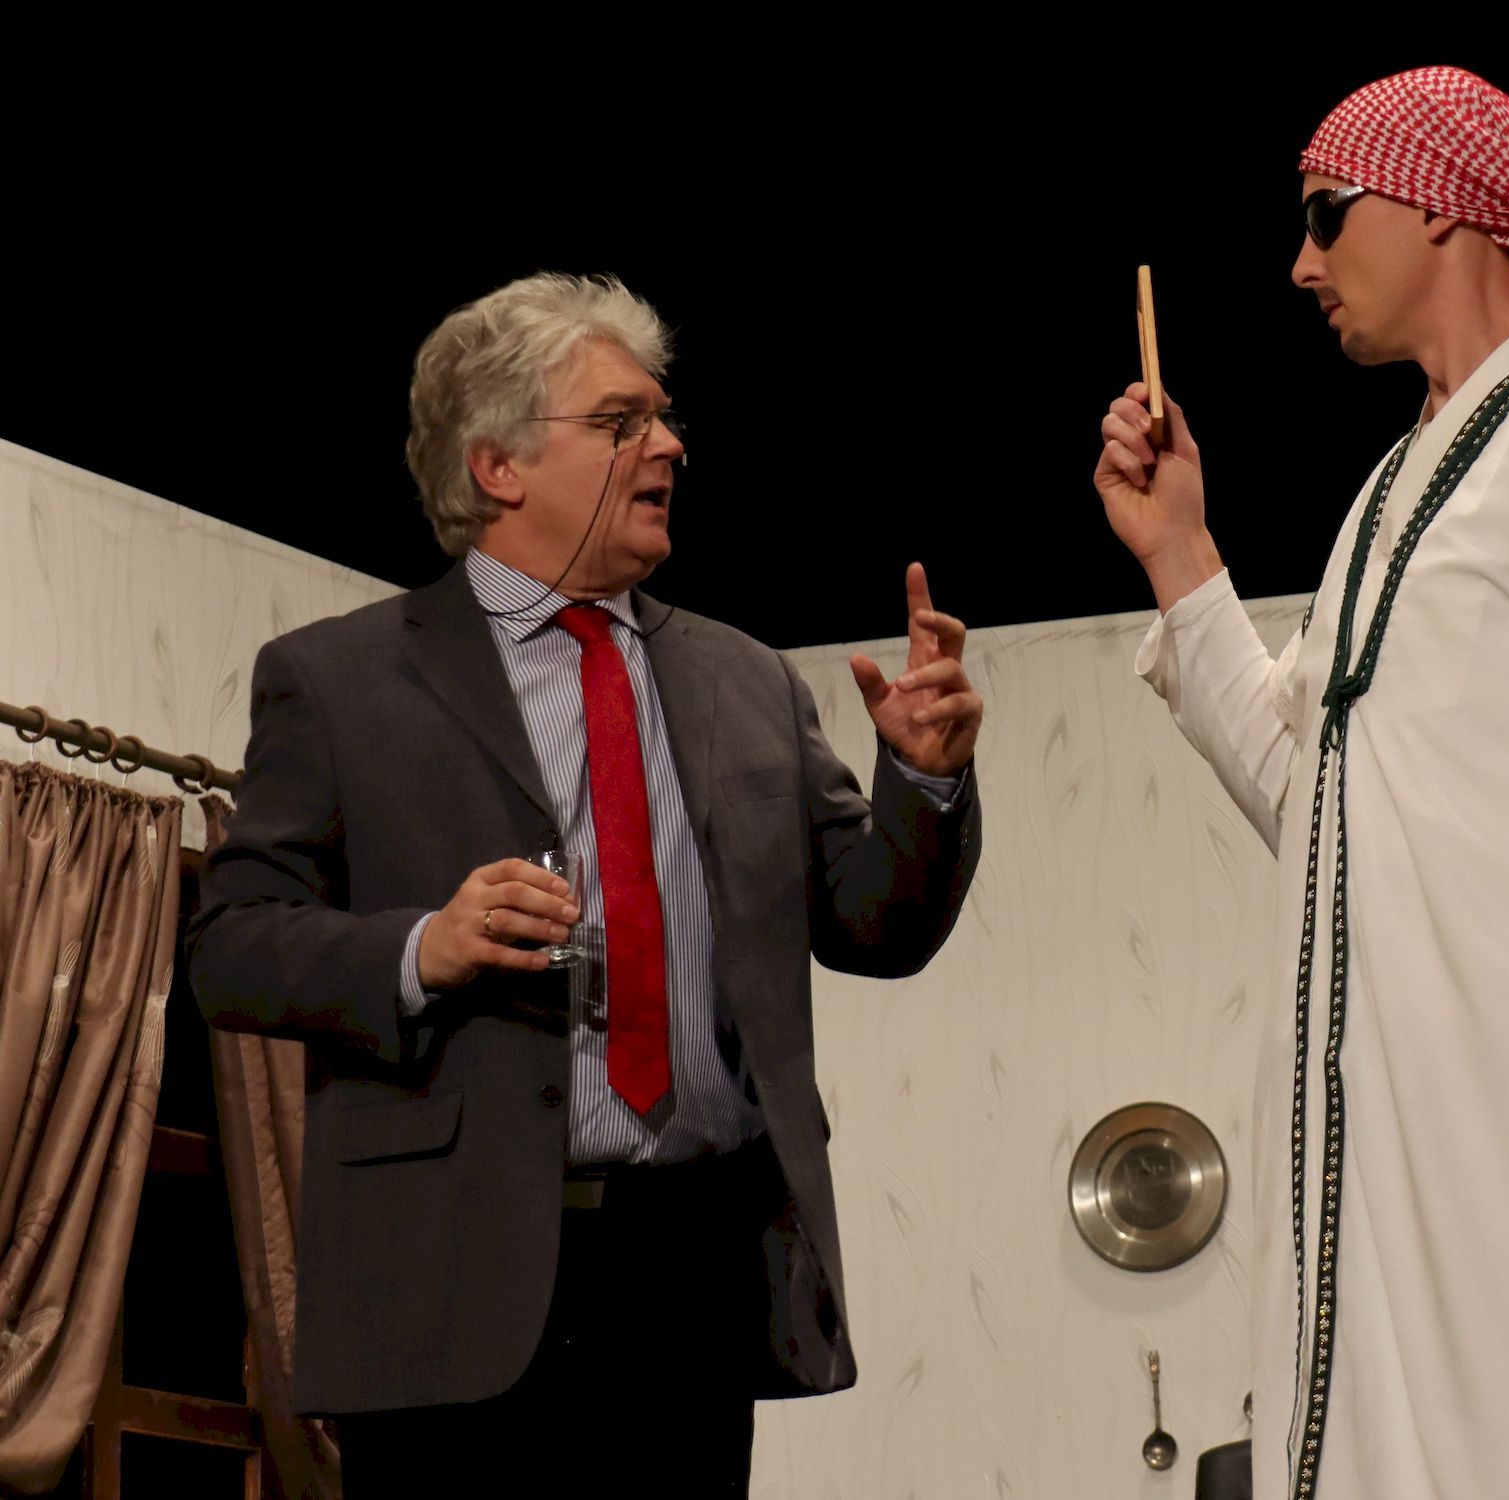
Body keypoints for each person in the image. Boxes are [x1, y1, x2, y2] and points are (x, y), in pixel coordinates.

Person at [1094, 67, 1509, 1499]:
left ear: (1434, 204)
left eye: (1322, 216)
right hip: (1399, 1173)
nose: (1300, 265)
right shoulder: (1389, 491)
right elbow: (1325, 805)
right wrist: (1181, 557)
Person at [190, 272, 983, 1495]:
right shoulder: (339, 681)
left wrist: (923, 782)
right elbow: (233, 945)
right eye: (619, 422)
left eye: (662, 418)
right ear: (497, 465)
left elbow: (873, 923)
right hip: (453, 1276)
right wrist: (421, 949)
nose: (668, 445)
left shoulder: (747, 679)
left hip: (696, 1271)